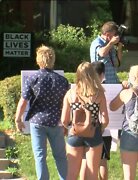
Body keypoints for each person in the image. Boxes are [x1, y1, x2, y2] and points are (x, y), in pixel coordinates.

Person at [14, 45, 68, 180]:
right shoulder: (62, 81)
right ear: (53, 60)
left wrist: (18, 119)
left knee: (40, 156)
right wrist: (67, 123)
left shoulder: (33, 78)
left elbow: (23, 101)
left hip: (37, 121)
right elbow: (67, 104)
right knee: (61, 156)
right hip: (56, 122)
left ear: (39, 61)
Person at [61, 62, 109, 180]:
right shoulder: (99, 94)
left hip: (75, 133)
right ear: (93, 74)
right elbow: (105, 119)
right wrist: (99, 129)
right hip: (94, 133)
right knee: (92, 173)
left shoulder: (70, 93)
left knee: (71, 174)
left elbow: (64, 120)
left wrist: (70, 127)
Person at [79, 61, 112, 180]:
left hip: (85, 129)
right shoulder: (105, 89)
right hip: (104, 129)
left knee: (84, 161)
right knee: (102, 162)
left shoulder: (82, 89)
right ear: (103, 74)